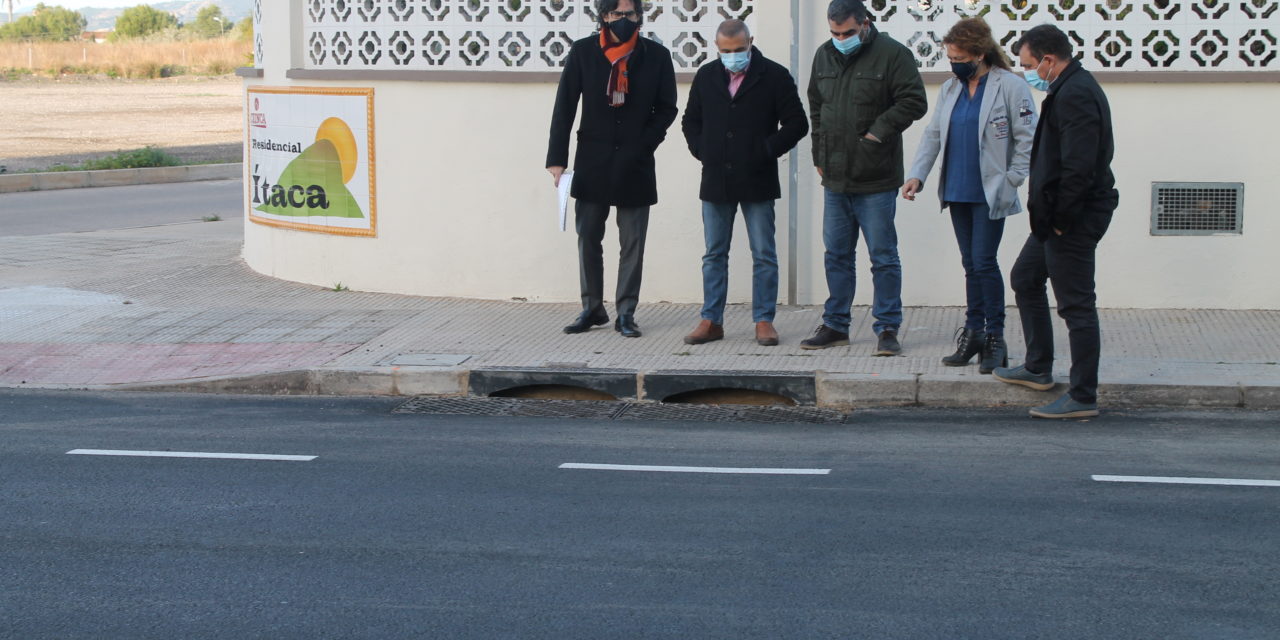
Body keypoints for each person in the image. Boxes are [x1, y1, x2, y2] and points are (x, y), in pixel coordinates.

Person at [992, 24, 1118, 419]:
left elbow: (1078, 167)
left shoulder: (1076, 93)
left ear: (1048, 59)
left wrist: (1062, 220)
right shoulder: (1066, 89)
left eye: (1028, 65)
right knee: (1026, 278)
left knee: (1076, 305)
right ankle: (1037, 366)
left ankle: (1082, 396)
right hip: (1052, 218)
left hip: (1072, 219)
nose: (1027, 72)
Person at [903, 17, 1036, 374]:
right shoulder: (950, 89)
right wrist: (918, 174)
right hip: (959, 187)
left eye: (959, 57)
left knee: (984, 262)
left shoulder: (1010, 85)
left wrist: (1014, 178)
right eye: (950, 57)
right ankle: (973, 333)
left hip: (990, 188)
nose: (954, 64)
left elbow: (1026, 137)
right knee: (970, 264)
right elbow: (933, 135)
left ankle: (996, 338)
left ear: (979, 54)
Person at [546, 0, 678, 338]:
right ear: (604, 16)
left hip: (635, 162)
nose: (623, 20)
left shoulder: (656, 56)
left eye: (630, 14)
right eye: (616, 14)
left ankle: (626, 313)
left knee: (632, 242)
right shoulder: (583, 52)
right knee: (588, 236)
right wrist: (557, 159)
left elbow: (667, 108)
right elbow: (564, 106)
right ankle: (592, 308)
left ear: (639, 17)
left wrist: (645, 143)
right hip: (593, 159)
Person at [803, 0, 927, 355]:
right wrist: (819, 152)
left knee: (883, 256)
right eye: (834, 33)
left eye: (848, 33)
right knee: (837, 254)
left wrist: (877, 132)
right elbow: (816, 106)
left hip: (876, 176)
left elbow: (914, 101)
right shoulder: (824, 55)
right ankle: (836, 324)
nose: (840, 39)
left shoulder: (892, 54)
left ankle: (887, 327)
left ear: (865, 24)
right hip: (836, 177)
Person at [680, 19, 809, 347]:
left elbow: (797, 123)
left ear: (750, 42)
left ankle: (764, 320)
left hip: (757, 177)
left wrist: (765, 150)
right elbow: (690, 120)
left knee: (764, 252)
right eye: (726, 51)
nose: (733, 56)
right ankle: (711, 320)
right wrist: (702, 150)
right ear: (716, 47)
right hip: (716, 178)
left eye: (739, 50)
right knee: (714, 253)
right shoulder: (708, 75)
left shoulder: (774, 75)